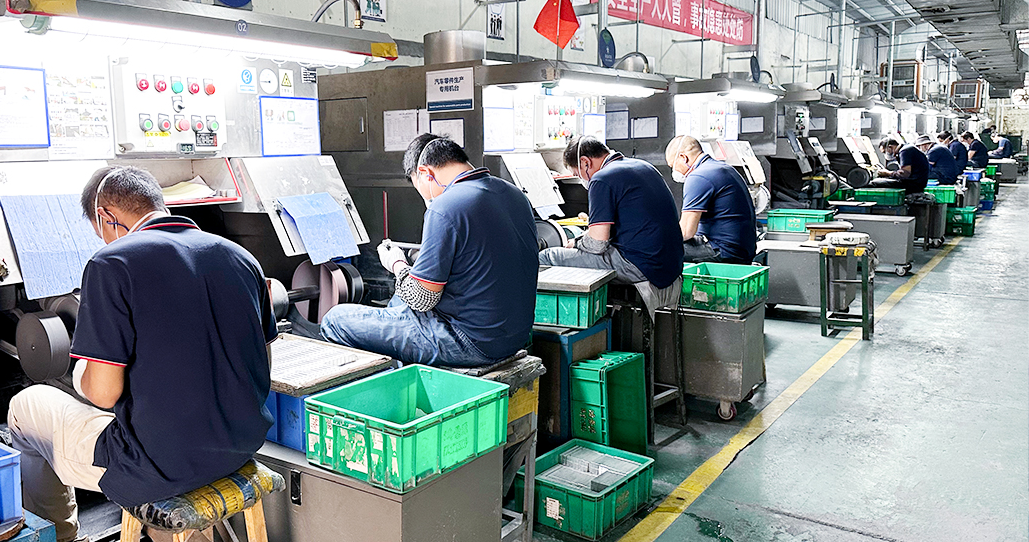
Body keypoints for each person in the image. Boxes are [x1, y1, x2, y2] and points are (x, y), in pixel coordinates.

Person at [7, 166, 276, 542]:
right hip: (241, 445)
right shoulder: (240, 257)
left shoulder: (112, 263)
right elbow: (263, 365)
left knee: (24, 408)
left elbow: (103, 394)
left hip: (157, 466)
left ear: (105, 215)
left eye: (100, 231)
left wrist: (82, 373)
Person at [321, 134, 538, 367]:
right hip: (514, 336)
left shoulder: (445, 206)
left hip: (470, 342)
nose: (424, 197)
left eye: (419, 187)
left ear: (425, 173)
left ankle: (390, 384)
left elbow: (422, 298)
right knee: (399, 300)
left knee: (335, 319)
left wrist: (396, 263)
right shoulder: (514, 194)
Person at [538, 137, 683, 318]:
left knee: (546, 257)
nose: (581, 180)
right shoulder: (644, 167)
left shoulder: (601, 179)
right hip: (671, 263)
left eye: (578, 174)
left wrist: (576, 243)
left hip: (640, 265)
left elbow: (597, 245)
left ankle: (549, 321)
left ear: (585, 162)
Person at [665, 135, 757, 265]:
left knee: (660, 250)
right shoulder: (724, 168)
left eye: (673, 166)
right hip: (743, 249)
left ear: (683, 157)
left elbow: (686, 232)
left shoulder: (698, 176)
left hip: (725, 251)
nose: (674, 171)